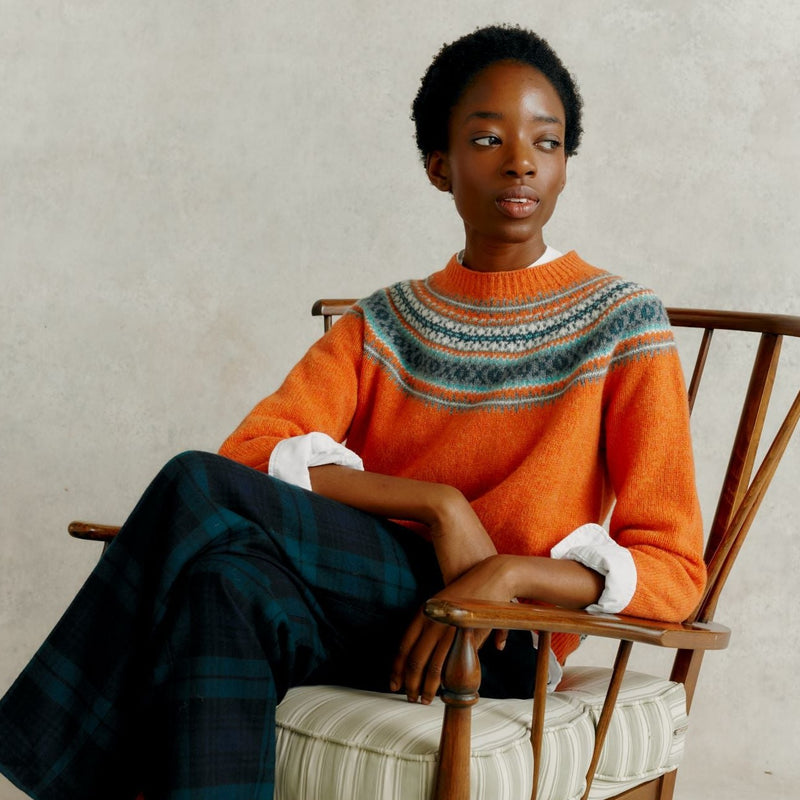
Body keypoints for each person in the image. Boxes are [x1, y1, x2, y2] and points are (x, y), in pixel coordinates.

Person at [0, 23, 706, 800]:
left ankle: (41, 761)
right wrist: (437, 507)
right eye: (486, 139)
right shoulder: (384, 322)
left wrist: (505, 572)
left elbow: (674, 572)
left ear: (566, 163)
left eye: (548, 141)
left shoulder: (622, 320)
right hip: (381, 618)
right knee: (223, 584)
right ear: (439, 168)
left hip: (503, 640)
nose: (520, 162)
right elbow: (252, 452)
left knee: (193, 493)